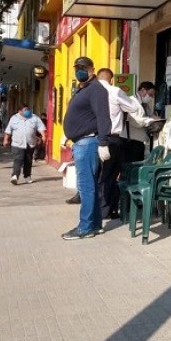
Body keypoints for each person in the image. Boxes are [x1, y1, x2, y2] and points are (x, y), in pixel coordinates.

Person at [61, 56, 112, 240]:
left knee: (85, 187)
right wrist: (68, 133)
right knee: (90, 186)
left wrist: (103, 142)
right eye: (77, 68)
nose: (79, 71)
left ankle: (85, 227)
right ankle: (95, 224)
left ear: (92, 69)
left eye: (83, 67)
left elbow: (103, 117)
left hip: (88, 143)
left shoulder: (96, 89)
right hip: (82, 142)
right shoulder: (84, 89)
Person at [96, 68, 154, 220]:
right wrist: (150, 121)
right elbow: (134, 116)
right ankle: (107, 209)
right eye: (150, 94)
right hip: (124, 141)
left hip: (114, 140)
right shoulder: (123, 96)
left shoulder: (92, 92)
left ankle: (110, 208)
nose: (151, 97)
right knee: (114, 175)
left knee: (109, 175)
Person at [3, 104, 46, 185]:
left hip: (30, 143)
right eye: (25, 110)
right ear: (20, 111)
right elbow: (8, 130)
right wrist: (6, 139)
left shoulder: (34, 118)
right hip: (17, 143)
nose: (28, 111)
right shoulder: (14, 118)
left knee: (28, 160)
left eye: (28, 109)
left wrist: (43, 136)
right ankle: (15, 176)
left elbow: (41, 127)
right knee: (18, 159)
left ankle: (27, 176)